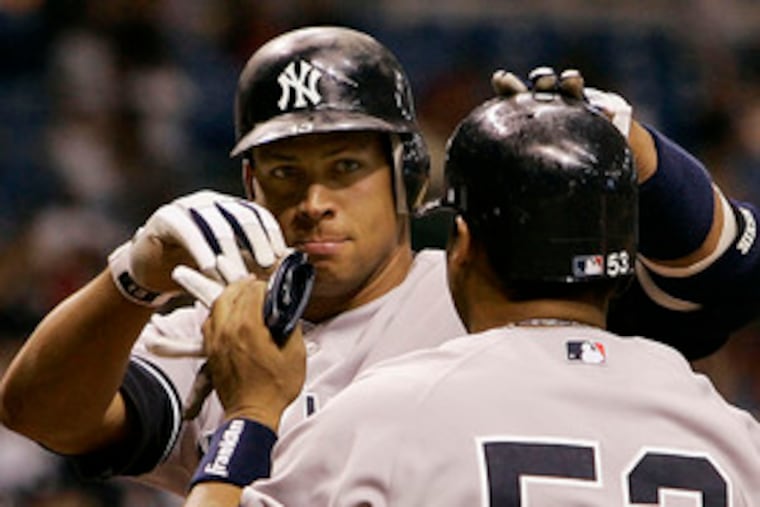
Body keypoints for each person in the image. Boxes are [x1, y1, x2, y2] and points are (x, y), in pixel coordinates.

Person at [0, 25, 757, 499]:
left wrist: (639, 145)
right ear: (250, 184)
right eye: (285, 173)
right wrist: (131, 276)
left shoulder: (495, 292)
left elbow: (725, 284)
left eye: (343, 166)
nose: (314, 201)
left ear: (407, 178)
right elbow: (39, 412)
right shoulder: (222, 322)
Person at [184, 81, 760, 506]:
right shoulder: (728, 430)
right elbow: (733, 266)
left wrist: (251, 415)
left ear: (461, 245)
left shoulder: (385, 413)